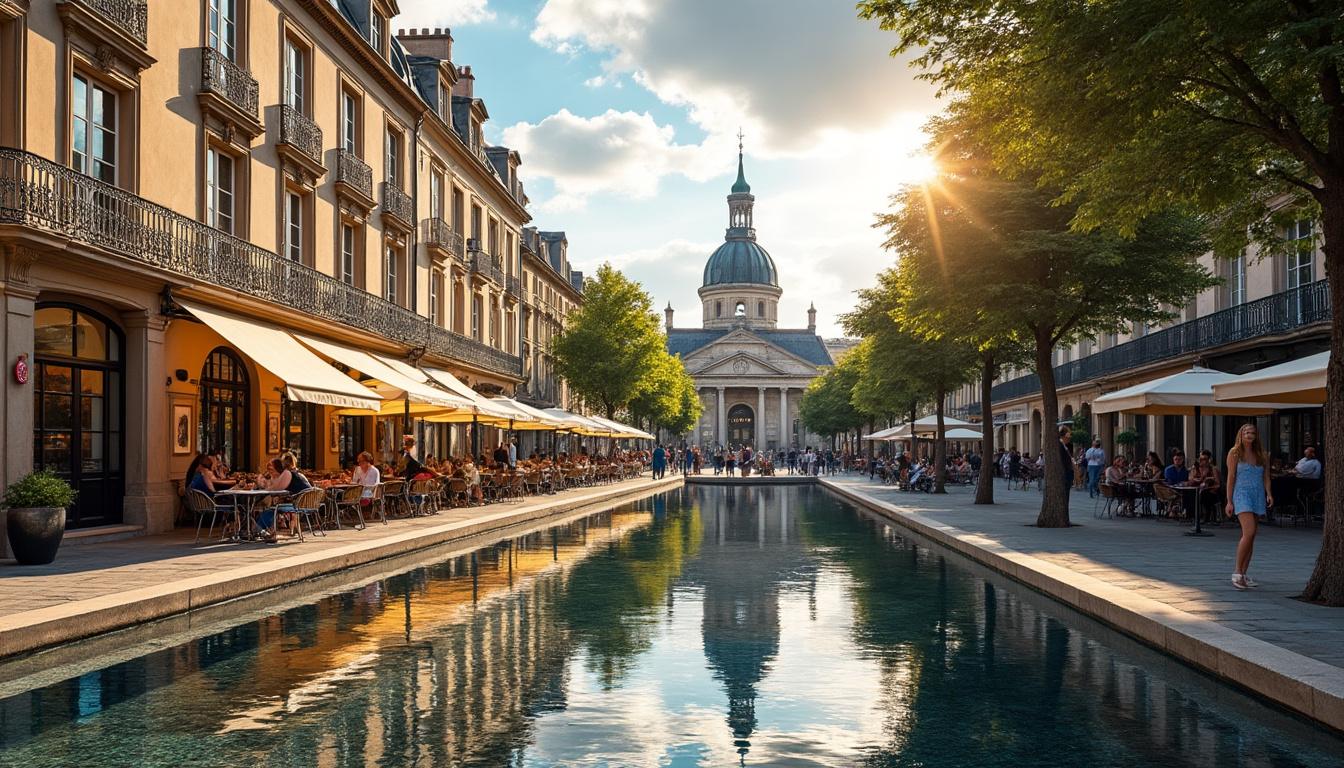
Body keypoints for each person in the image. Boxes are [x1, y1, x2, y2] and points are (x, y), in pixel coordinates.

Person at [1225, 424, 1272, 590]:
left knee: (1252, 536)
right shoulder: (1235, 453)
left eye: (1253, 432)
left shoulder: (1262, 455)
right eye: (1247, 432)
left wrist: (1269, 493)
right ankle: (1237, 572)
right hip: (1242, 494)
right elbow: (1230, 477)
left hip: (1257, 494)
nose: (1250, 435)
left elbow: (1266, 476)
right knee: (1249, 532)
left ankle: (1244, 574)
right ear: (1241, 434)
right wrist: (1229, 501)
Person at [1189, 449, 1221, 522]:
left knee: (1205, 494)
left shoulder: (1213, 469)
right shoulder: (1196, 468)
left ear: (1209, 460)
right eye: (1200, 459)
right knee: (1190, 493)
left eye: (1205, 459)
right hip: (1197, 489)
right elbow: (1190, 479)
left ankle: (1205, 516)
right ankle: (1191, 515)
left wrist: (1209, 486)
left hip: (1210, 491)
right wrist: (1196, 478)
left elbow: (1217, 484)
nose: (1202, 461)